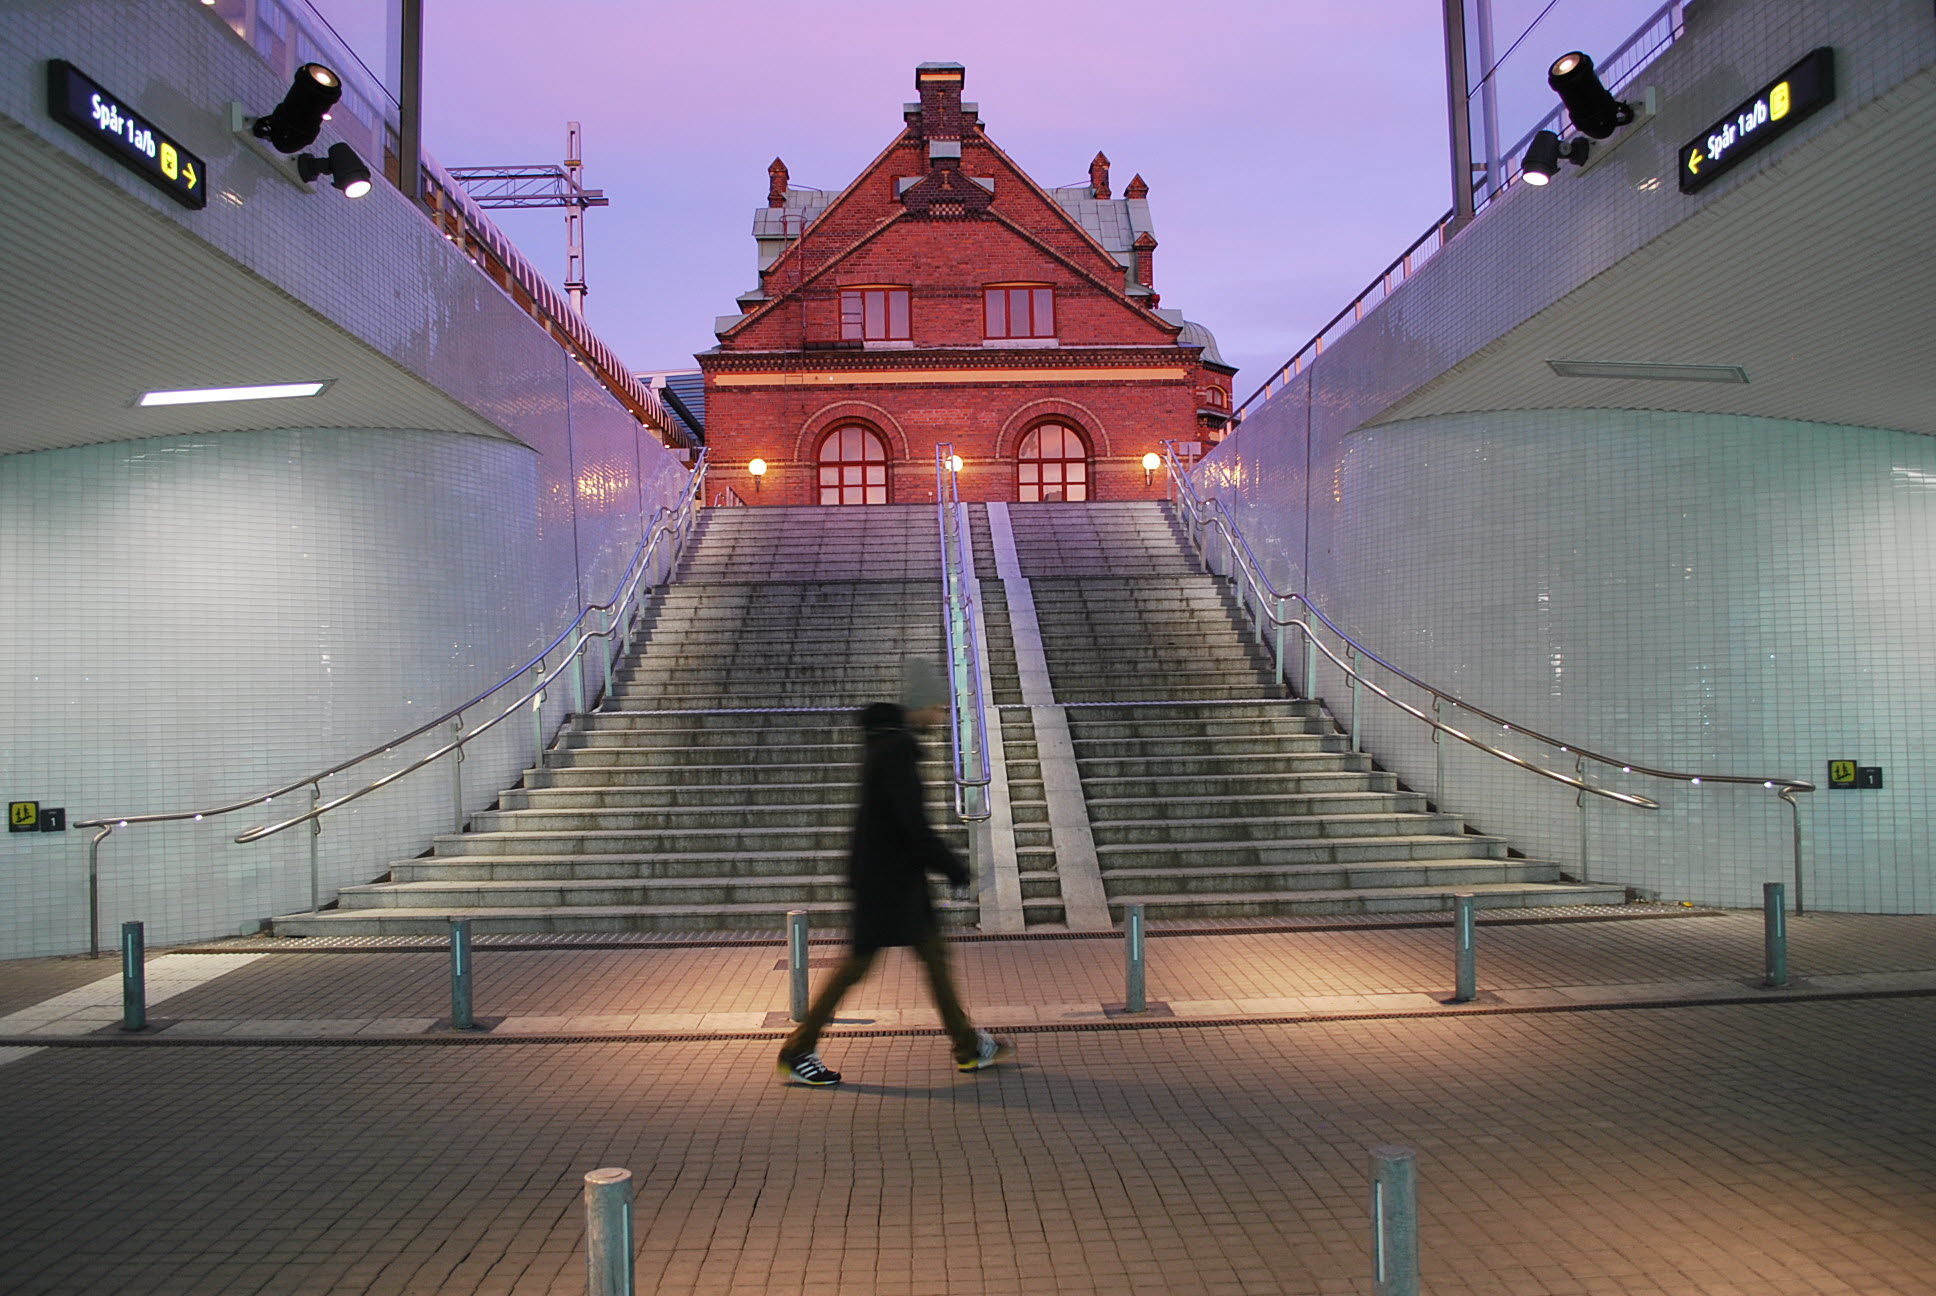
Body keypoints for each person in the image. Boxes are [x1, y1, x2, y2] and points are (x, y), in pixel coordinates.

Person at [777, 660, 1010, 1085]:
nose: (941, 717)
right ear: (920, 706)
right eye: (938, 708)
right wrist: (952, 864)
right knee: (859, 967)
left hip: (891, 880)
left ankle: (968, 1044)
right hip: (888, 884)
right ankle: (798, 1049)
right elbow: (910, 821)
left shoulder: (888, 744)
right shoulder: (896, 749)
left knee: (931, 958)